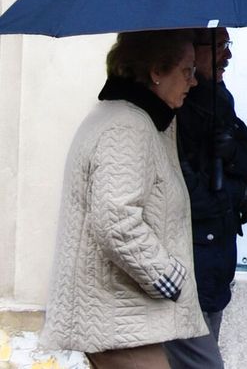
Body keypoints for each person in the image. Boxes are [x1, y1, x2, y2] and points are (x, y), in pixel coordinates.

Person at [42, 31, 208, 369]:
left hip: (120, 315)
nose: (193, 82)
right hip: (116, 317)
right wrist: (167, 276)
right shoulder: (127, 126)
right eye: (186, 71)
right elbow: (116, 220)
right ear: (156, 72)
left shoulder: (135, 118)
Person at [165, 28, 247, 369]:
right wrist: (239, 195)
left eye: (227, 45)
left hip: (214, 272)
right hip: (190, 273)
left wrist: (232, 149)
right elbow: (187, 197)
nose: (228, 55)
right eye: (220, 46)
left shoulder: (218, 99)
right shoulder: (174, 111)